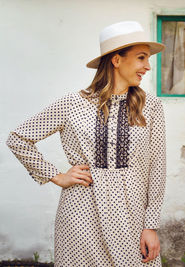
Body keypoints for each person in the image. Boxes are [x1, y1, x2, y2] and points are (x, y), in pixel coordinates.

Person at [7, 21, 166, 266]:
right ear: (116, 60)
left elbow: (157, 167)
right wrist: (57, 175)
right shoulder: (72, 104)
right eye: (141, 57)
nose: (147, 66)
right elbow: (19, 139)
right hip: (82, 216)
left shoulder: (151, 107)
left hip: (131, 216)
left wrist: (151, 225)